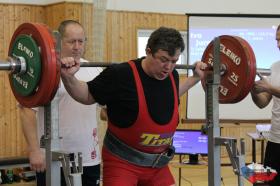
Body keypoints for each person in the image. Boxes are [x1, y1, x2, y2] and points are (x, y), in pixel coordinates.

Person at [60, 26, 206, 186]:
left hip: (157, 165)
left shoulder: (172, 76)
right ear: (148, 51)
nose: (168, 67)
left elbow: (168, 96)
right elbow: (87, 95)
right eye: (163, 60)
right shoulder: (121, 74)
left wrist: (195, 79)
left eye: (174, 61)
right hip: (122, 164)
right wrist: (68, 77)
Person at [19, 20, 102, 186]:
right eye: (71, 41)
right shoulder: (44, 72)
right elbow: (27, 111)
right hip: (52, 157)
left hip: (88, 157)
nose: (77, 47)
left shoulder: (95, 70)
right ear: (58, 42)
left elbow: (105, 111)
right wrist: (34, 150)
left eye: (81, 41)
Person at [250, 24, 280, 186]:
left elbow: (271, 89)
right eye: (277, 40)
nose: (278, 45)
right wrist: (251, 88)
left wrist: (268, 87)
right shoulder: (275, 67)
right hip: (275, 140)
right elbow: (263, 103)